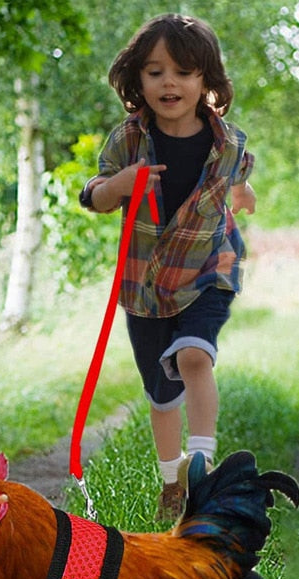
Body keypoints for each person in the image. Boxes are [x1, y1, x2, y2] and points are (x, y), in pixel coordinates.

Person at [79, 13, 256, 520]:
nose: (169, 82)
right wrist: (119, 186)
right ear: (138, 81)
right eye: (155, 72)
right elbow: (94, 193)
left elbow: (237, 178)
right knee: (161, 393)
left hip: (209, 270)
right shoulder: (127, 141)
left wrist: (243, 195)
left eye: (183, 71)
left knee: (194, 357)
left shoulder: (229, 143)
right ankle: (172, 477)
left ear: (206, 82)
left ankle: (200, 468)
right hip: (147, 286)